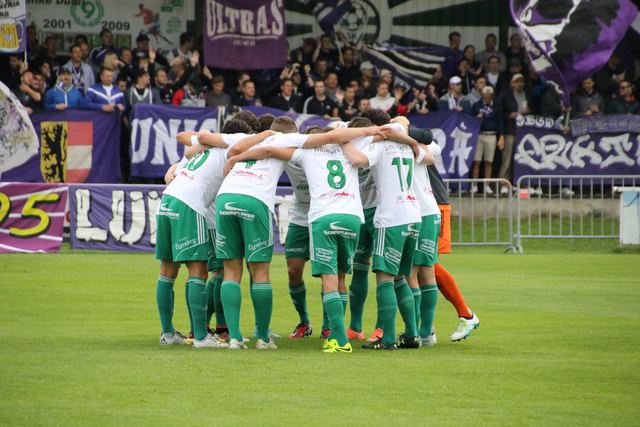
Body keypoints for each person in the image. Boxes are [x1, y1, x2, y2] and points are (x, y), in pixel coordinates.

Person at [211, 117, 383, 350]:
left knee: (232, 270)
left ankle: (236, 337)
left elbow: (238, 146)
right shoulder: (348, 148)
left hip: (316, 214)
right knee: (333, 276)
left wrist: (236, 158)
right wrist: (375, 130)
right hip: (349, 216)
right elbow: (338, 137)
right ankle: (272, 335)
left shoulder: (300, 150)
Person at [341, 119, 422, 351]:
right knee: (400, 278)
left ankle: (387, 339)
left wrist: (342, 138)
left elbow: (357, 159)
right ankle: (412, 335)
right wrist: (412, 141)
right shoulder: (406, 145)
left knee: (385, 278)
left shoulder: (378, 145)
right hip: (413, 214)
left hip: (391, 217)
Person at [500, 73, 533, 188]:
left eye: (521, 81)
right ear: (512, 83)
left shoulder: (528, 94)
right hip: (511, 131)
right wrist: (509, 115)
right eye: (517, 82)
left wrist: (529, 111)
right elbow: (500, 113)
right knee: (507, 158)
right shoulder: (506, 96)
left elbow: (536, 111)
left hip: (525, 131)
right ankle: (504, 184)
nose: (519, 84)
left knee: (524, 158)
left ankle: (523, 184)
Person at [470, 85, 503, 194]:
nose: (487, 98)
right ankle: (474, 185)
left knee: (489, 161)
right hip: (479, 134)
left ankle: (487, 185)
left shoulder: (497, 106)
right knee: (477, 161)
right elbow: (469, 120)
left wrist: (501, 136)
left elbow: (500, 122)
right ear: (482, 95)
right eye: (485, 96)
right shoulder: (476, 105)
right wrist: (476, 118)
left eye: (489, 96)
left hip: (492, 135)